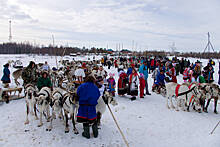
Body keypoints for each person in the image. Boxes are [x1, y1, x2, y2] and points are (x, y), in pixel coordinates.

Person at [76, 75, 101, 139]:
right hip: (92, 106)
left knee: (85, 120)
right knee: (93, 119)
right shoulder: (95, 87)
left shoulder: (82, 86)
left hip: (83, 106)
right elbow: (98, 95)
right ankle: (95, 133)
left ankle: (86, 134)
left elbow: (77, 93)